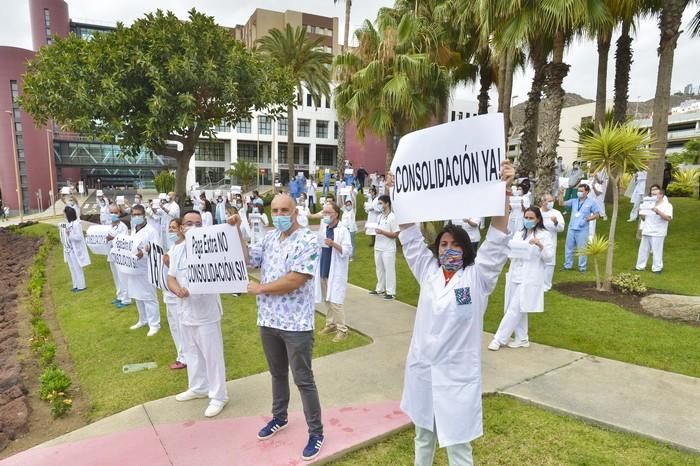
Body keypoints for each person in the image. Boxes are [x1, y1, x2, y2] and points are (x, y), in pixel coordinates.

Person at [393, 161, 513, 466]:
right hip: (424, 368)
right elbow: (409, 238)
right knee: (423, 437)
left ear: (467, 249)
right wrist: (398, 191)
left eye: (455, 244)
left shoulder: (479, 276)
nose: (448, 249)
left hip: (457, 375)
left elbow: (498, 235)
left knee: (458, 447)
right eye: (443, 244)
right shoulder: (428, 271)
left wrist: (503, 189)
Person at [229, 194, 325, 461]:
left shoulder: (308, 240)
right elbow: (249, 259)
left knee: (303, 379)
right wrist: (236, 231)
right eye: (275, 210)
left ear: (295, 211)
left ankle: (316, 432)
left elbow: (296, 279)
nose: (280, 214)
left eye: (285, 210)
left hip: (296, 324)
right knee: (277, 373)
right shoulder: (270, 238)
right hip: (268, 320)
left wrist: (260, 288)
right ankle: (279, 417)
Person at [167, 211, 228, 417]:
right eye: (189, 223)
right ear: (181, 227)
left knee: (212, 355)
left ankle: (219, 396)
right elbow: (171, 277)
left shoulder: (211, 249)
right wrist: (177, 290)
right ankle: (198, 387)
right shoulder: (177, 250)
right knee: (191, 352)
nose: (194, 227)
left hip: (206, 311)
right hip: (184, 310)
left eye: (198, 223)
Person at [489, 207, 553, 351]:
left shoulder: (544, 235)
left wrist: (539, 245)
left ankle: (498, 339)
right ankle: (522, 338)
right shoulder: (519, 234)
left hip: (529, 277)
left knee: (514, 309)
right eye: (526, 217)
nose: (528, 220)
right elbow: (511, 251)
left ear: (538, 219)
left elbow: (549, 257)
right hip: (515, 275)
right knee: (517, 309)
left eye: (531, 218)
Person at [315, 202, 353, 342]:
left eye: (327, 213)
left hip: (336, 270)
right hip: (324, 267)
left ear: (335, 214)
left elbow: (348, 250)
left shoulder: (342, 230)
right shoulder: (324, 227)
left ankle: (342, 329)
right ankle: (330, 324)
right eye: (323, 212)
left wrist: (333, 244)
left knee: (336, 300)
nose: (325, 215)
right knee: (327, 299)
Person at [127, 204, 161, 337]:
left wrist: (144, 254)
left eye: (137, 215)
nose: (135, 217)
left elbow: (156, 249)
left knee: (149, 296)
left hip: (147, 267)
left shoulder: (151, 231)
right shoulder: (135, 230)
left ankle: (154, 324)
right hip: (134, 267)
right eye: (133, 215)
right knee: (137, 295)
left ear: (144, 216)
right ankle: (143, 319)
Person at [160, 218, 187, 370]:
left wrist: (167, 262)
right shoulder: (173, 246)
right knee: (174, 326)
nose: (171, 231)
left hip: (178, 294)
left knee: (180, 326)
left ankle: (183, 357)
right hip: (168, 294)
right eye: (170, 228)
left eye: (174, 228)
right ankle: (181, 354)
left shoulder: (183, 247)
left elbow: (178, 270)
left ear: (181, 229)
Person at [559, 184, 601, 272]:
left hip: (582, 229)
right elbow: (561, 203)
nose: (579, 193)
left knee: (582, 249)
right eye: (578, 191)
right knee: (569, 248)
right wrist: (561, 193)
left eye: (581, 191)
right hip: (571, 228)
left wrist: (587, 219)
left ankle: (582, 268)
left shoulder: (591, 202)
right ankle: (567, 266)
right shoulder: (574, 201)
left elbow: (597, 215)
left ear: (587, 192)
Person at [635, 185, 673, 274]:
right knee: (643, 249)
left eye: (655, 194)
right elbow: (644, 218)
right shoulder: (649, 204)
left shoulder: (667, 205)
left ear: (661, 195)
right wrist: (641, 213)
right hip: (647, 229)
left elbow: (669, 218)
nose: (653, 196)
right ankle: (640, 266)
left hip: (658, 231)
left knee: (657, 250)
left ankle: (657, 268)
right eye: (652, 194)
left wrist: (658, 212)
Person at [370, 195, 400, 300]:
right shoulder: (380, 217)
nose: (379, 205)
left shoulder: (393, 217)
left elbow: (396, 234)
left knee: (389, 270)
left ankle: (391, 292)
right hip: (378, 247)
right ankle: (380, 289)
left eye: (381, 203)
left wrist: (382, 232)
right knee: (379, 269)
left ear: (387, 203)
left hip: (388, 249)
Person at [106, 204, 131, 308]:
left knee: (122, 277)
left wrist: (113, 238)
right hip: (112, 254)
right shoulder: (109, 225)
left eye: (115, 212)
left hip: (121, 256)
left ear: (119, 213)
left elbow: (124, 241)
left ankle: (126, 299)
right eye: (111, 212)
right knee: (116, 277)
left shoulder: (123, 227)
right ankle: (120, 296)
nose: (113, 214)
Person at [61, 206, 90, 292]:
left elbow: (79, 237)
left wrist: (69, 235)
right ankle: (76, 285)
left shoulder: (76, 224)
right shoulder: (69, 224)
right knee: (72, 268)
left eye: (65, 214)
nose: (64, 216)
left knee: (77, 268)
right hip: (68, 250)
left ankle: (81, 286)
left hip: (75, 250)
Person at [540, 194, 565, 292]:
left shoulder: (557, 213)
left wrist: (555, 222)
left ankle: (546, 285)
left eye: (552, 201)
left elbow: (561, 228)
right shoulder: (538, 212)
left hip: (550, 240)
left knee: (549, 262)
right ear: (543, 202)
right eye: (549, 201)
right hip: (538, 240)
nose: (551, 203)